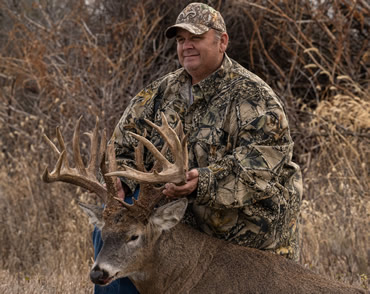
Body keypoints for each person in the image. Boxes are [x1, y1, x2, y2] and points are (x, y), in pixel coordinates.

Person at [93, 2, 303, 293]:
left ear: (222, 41)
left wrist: (201, 183)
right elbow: (121, 145)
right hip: (184, 229)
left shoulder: (254, 98)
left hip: (246, 239)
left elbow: (259, 172)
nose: (186, 46)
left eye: (196, 38)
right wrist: (120, 181)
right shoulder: (159, 93)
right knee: (112, 224)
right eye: (181, 40)